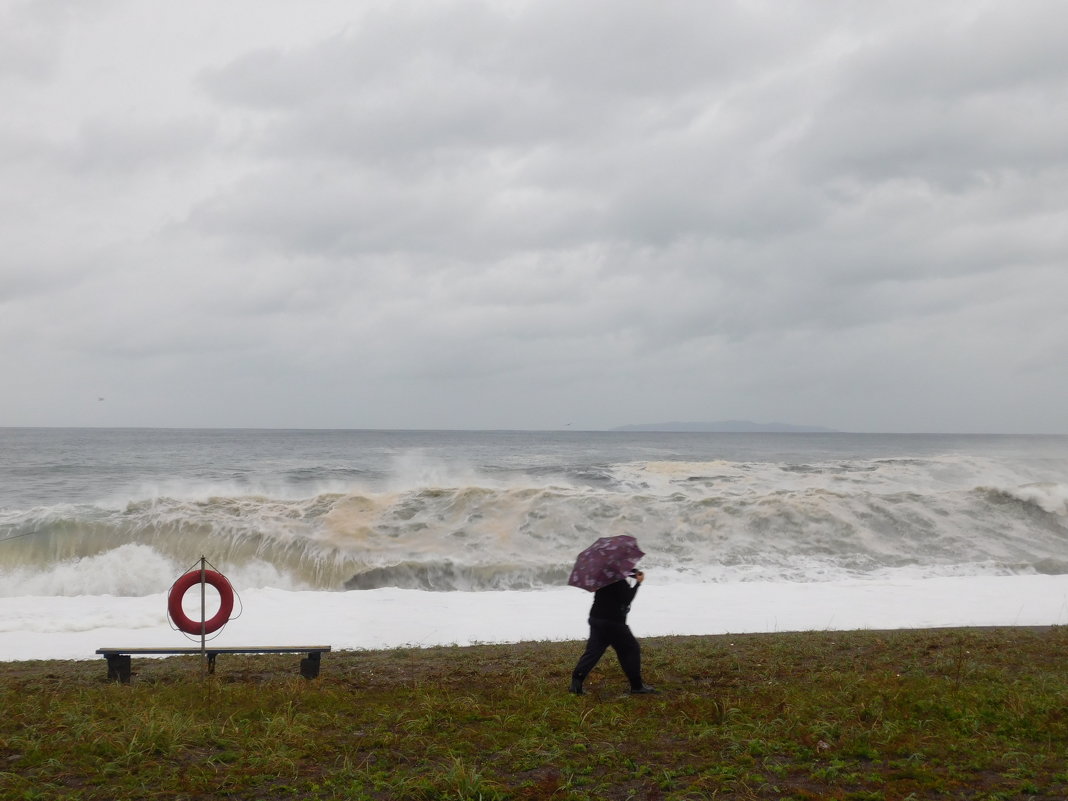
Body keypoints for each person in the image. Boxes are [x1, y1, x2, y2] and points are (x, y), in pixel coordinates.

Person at [569, 569, 657, 694]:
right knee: (631, 649)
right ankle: (637, 686)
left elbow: (613, 590)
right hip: (613, 623)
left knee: (593, 652)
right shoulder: (619, 580)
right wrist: (638, 583)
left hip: (596, 618)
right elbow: (627, 599)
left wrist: (631, 574)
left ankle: (576, 684)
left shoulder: (603, 575)